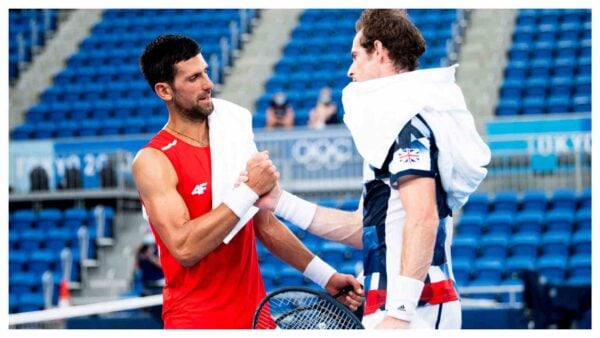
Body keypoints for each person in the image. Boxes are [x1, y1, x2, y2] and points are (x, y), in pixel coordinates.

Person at [241, 9, 490, 329]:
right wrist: (279, 201)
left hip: (415, 306)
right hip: (395, 303)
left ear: (380, 52)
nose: (349, 69)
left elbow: (423, 217)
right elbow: (365, 228)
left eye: (356, 56)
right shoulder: (392, 126)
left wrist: (400, 312)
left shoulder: (407, 124)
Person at [132, 34, 363, 329]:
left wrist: (326, 277)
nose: (207, 84)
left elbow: (263, 224)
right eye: (193, 78)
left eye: (205, 72)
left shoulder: (229, 130)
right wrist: (249, 189)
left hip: (256, 316)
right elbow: (185, 248)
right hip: (196, 322)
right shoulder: (153, 160)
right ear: (164, 90)